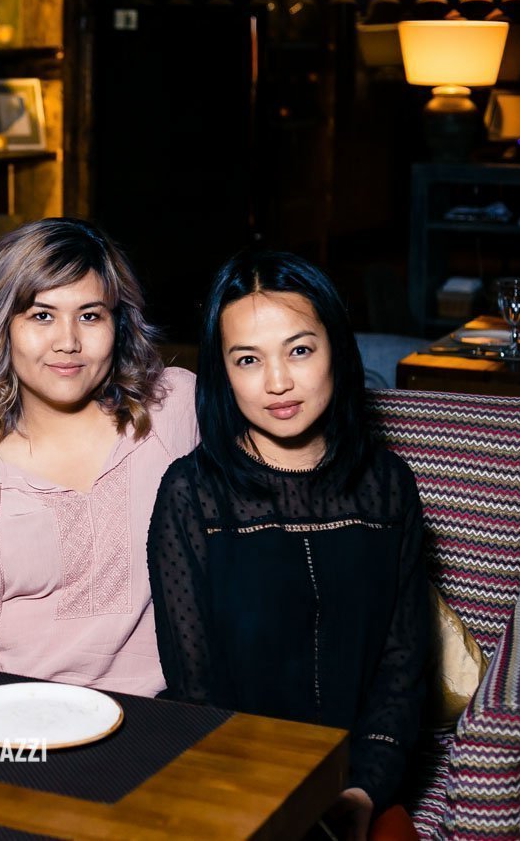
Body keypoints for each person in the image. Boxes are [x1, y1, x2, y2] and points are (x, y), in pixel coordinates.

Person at [147, 250, 428, 840]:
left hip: (363, 787)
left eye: (299, 350)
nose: (277, 382)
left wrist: (363, 790)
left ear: (336, 350)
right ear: (223, 372)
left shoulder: (388, 486)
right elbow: (196, 692)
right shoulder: (191, 494)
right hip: (234, 790)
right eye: (248, 359)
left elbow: (402, 669)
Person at [0, 218, 197, 696]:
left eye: (90, 316)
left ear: (118, 325)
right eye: (41, 316)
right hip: (18, 714)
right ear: (2, 328)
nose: (68, 342)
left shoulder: (175, 411)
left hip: (171, 711)